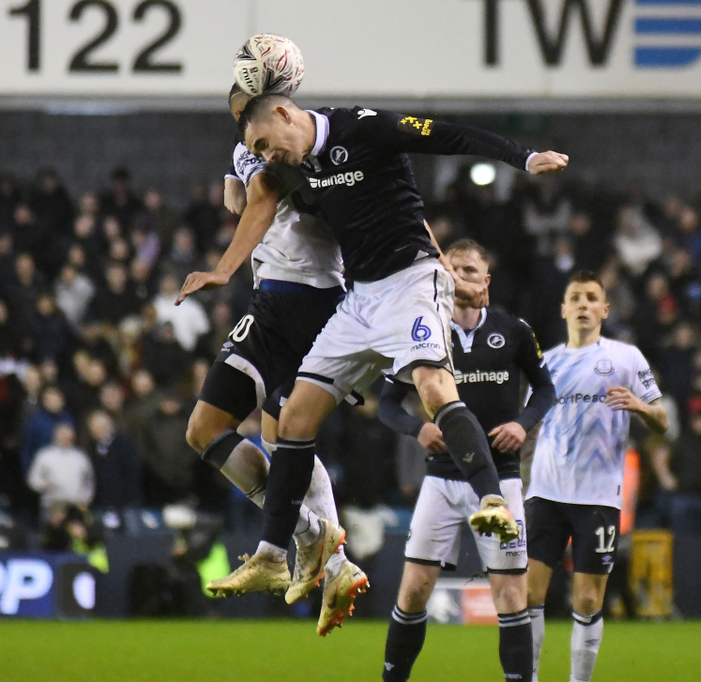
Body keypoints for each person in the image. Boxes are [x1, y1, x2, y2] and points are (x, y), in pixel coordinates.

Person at [181, 92, 568, 634]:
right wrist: (236, 193)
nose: (267, 155)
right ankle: (274, 551)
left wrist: (521, 157)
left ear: (287, 115)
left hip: (410, 283)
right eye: (257, 149)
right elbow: (260, 199)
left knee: (434, 387)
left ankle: (492, 501)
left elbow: (445, 134)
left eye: (267, 142)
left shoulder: (363, 126)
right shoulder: (296, 166)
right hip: (358, 299)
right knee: (292, 423)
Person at [178, 85, 359, 624]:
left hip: (309, 301)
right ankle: (324, 548)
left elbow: (259, 199)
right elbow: (243, 189)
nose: (240, 121)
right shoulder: (251, 148)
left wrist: (222, 268)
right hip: (274, 299)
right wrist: (237, 176)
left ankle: (312, 555)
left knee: (261, 436)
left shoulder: (313, 150)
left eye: (245, 106)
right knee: (238, 434)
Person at [376, 240, 556, 682]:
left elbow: (546, 389)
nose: (460, 276)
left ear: (486, 281)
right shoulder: (419, 330)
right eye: (453, 268)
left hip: (502, 480)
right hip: (441, 478)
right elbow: (387, 405)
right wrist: (418, 428)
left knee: (511, 595)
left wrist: (523, 423)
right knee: (414, 589)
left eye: (471, 271)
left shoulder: (513, 329)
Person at [525, 271, 668, 682]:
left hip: (598, 497)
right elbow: (530, 429)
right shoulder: (545, 363)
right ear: (564, 308)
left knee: (587, 599)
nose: (584, 304)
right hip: (547, 494)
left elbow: (663, 421)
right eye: (576, 297)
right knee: (530, 594)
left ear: (605, 309)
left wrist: (640, 408)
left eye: (592, 297)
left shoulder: (626, 359)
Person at [27, 423, 94, 516]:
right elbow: (33, 479)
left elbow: (89, 481)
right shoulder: (45, 455)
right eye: (62, 435)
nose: (65, 438)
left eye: (67, 436)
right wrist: (43, 485)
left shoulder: (80, 457)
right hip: (52, 505)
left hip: (74, 505)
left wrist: (86, 499)